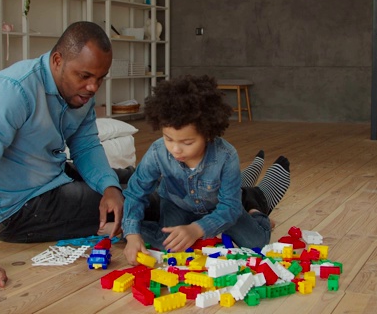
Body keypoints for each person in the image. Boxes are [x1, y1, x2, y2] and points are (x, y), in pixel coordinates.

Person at [0, 21, 134, 298]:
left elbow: (85, 145)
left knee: (135, 179)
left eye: (100, 78)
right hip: (18, 209)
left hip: (52, 177)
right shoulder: (12, 91)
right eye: (84, 76)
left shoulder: (82, 92)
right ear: (57, 60)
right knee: (142, 201)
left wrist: (109, 187)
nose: (93, 87)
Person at [122, 75, 291, 266]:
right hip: (178, 205)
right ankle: (128, 228)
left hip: (219, 208)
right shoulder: (157, 151)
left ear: (208, 134)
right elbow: (136, 192)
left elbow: (230, 207)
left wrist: (197, 229)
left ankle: (256, 213)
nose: (176, 149)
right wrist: (132, 233)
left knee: (255, 243)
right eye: (168, 139)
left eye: (187, 142)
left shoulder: (226, 156)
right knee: (167, 243)